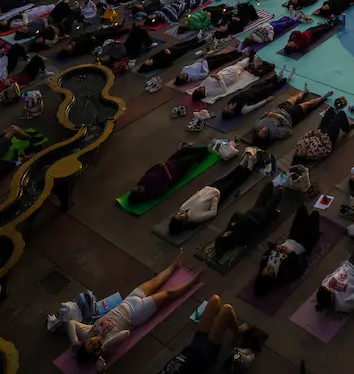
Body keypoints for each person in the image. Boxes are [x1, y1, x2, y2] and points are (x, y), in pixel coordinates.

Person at [68, 251, 200, 368]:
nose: (94, 341)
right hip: (136, 313)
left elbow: (71, 324)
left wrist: (74, 340)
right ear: (96, 351)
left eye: (90, 343)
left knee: (154, 281)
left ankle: (175, 265)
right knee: (167, 294)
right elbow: (126, 333)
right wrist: (105, 346)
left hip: (127, 302)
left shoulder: (88, 332)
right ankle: (192, 282)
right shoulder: (107, 346)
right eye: (94, 346)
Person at [167, 155, 261, 235]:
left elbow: (194, 196)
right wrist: (215, 199)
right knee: (235, 182)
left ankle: (242, 164)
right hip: (219, 194)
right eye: (180, 216)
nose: (180, 213)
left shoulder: (183, 207)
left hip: (209, 189)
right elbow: (212, 213)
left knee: (229, 176)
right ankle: (249, 168)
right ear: (183, 223)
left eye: (178, 213)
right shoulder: (196, 217)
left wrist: (203, 190)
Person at [158, 295, 250, 374]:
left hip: (194, 345)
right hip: (205, 354)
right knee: (227, 309)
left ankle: (216, 323)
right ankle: (237, 331)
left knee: (215, 299)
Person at [254, 205, 321, 293]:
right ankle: (314, 233)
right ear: (270, 278)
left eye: (264, 269)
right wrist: (290, 253)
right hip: (303, 243)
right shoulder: (284, 274)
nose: (267, 268)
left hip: (292, 237)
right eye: (268, 271)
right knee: (315, 214)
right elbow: (300, 266)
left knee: (302, 209)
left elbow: (268, 252)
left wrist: (275, 246)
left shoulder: (264, 263)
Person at [214, 181, 283, 255]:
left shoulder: (231, 229)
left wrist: (232, 226)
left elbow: (236, 215)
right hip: (260, 220)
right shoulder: (239, 238)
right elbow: (241, 219)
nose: (225, 233)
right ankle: (281, 191)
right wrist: (235, 224)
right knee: (271, 205)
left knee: (266, 191)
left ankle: (275, 189)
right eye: (225, 235)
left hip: (253, 213)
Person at [128, 143, 212, 204]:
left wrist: (158, 165)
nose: (140, 187)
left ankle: (205, 149)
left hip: (168, 164)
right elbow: (167, 182)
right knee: (190, 160)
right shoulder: (154, 191)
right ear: (142, 194)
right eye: (139, 189)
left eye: (137, 187)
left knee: (183, 151)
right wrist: (164, 169)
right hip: (176, 171)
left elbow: (149, 170)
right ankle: (205, 152)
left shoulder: (142, 181)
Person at [250, 88, 332, 145]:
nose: (263, 130)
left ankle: (304, 91)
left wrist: (269, 113)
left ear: (258, 132)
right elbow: (289, 130)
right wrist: (279, 117)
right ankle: (323, 97)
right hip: (290, 114)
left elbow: (262, 116)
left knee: (294, 98)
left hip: (280, 109)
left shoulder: (257, 126)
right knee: (308, 104)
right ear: (266, 137)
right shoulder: (275, 133)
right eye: (265, 133)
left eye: (261, 131)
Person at [220, 67, 287, 119]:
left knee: (267, 81)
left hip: (252, 89)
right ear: (232, 113)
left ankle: (279, 74)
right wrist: (266, 100)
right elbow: (255, 106)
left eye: (226, 107)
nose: (228, 106)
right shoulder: (242, 110)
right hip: (258, 94)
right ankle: (287, 78)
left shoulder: (230, 102)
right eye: (228, 109)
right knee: (273, 86)